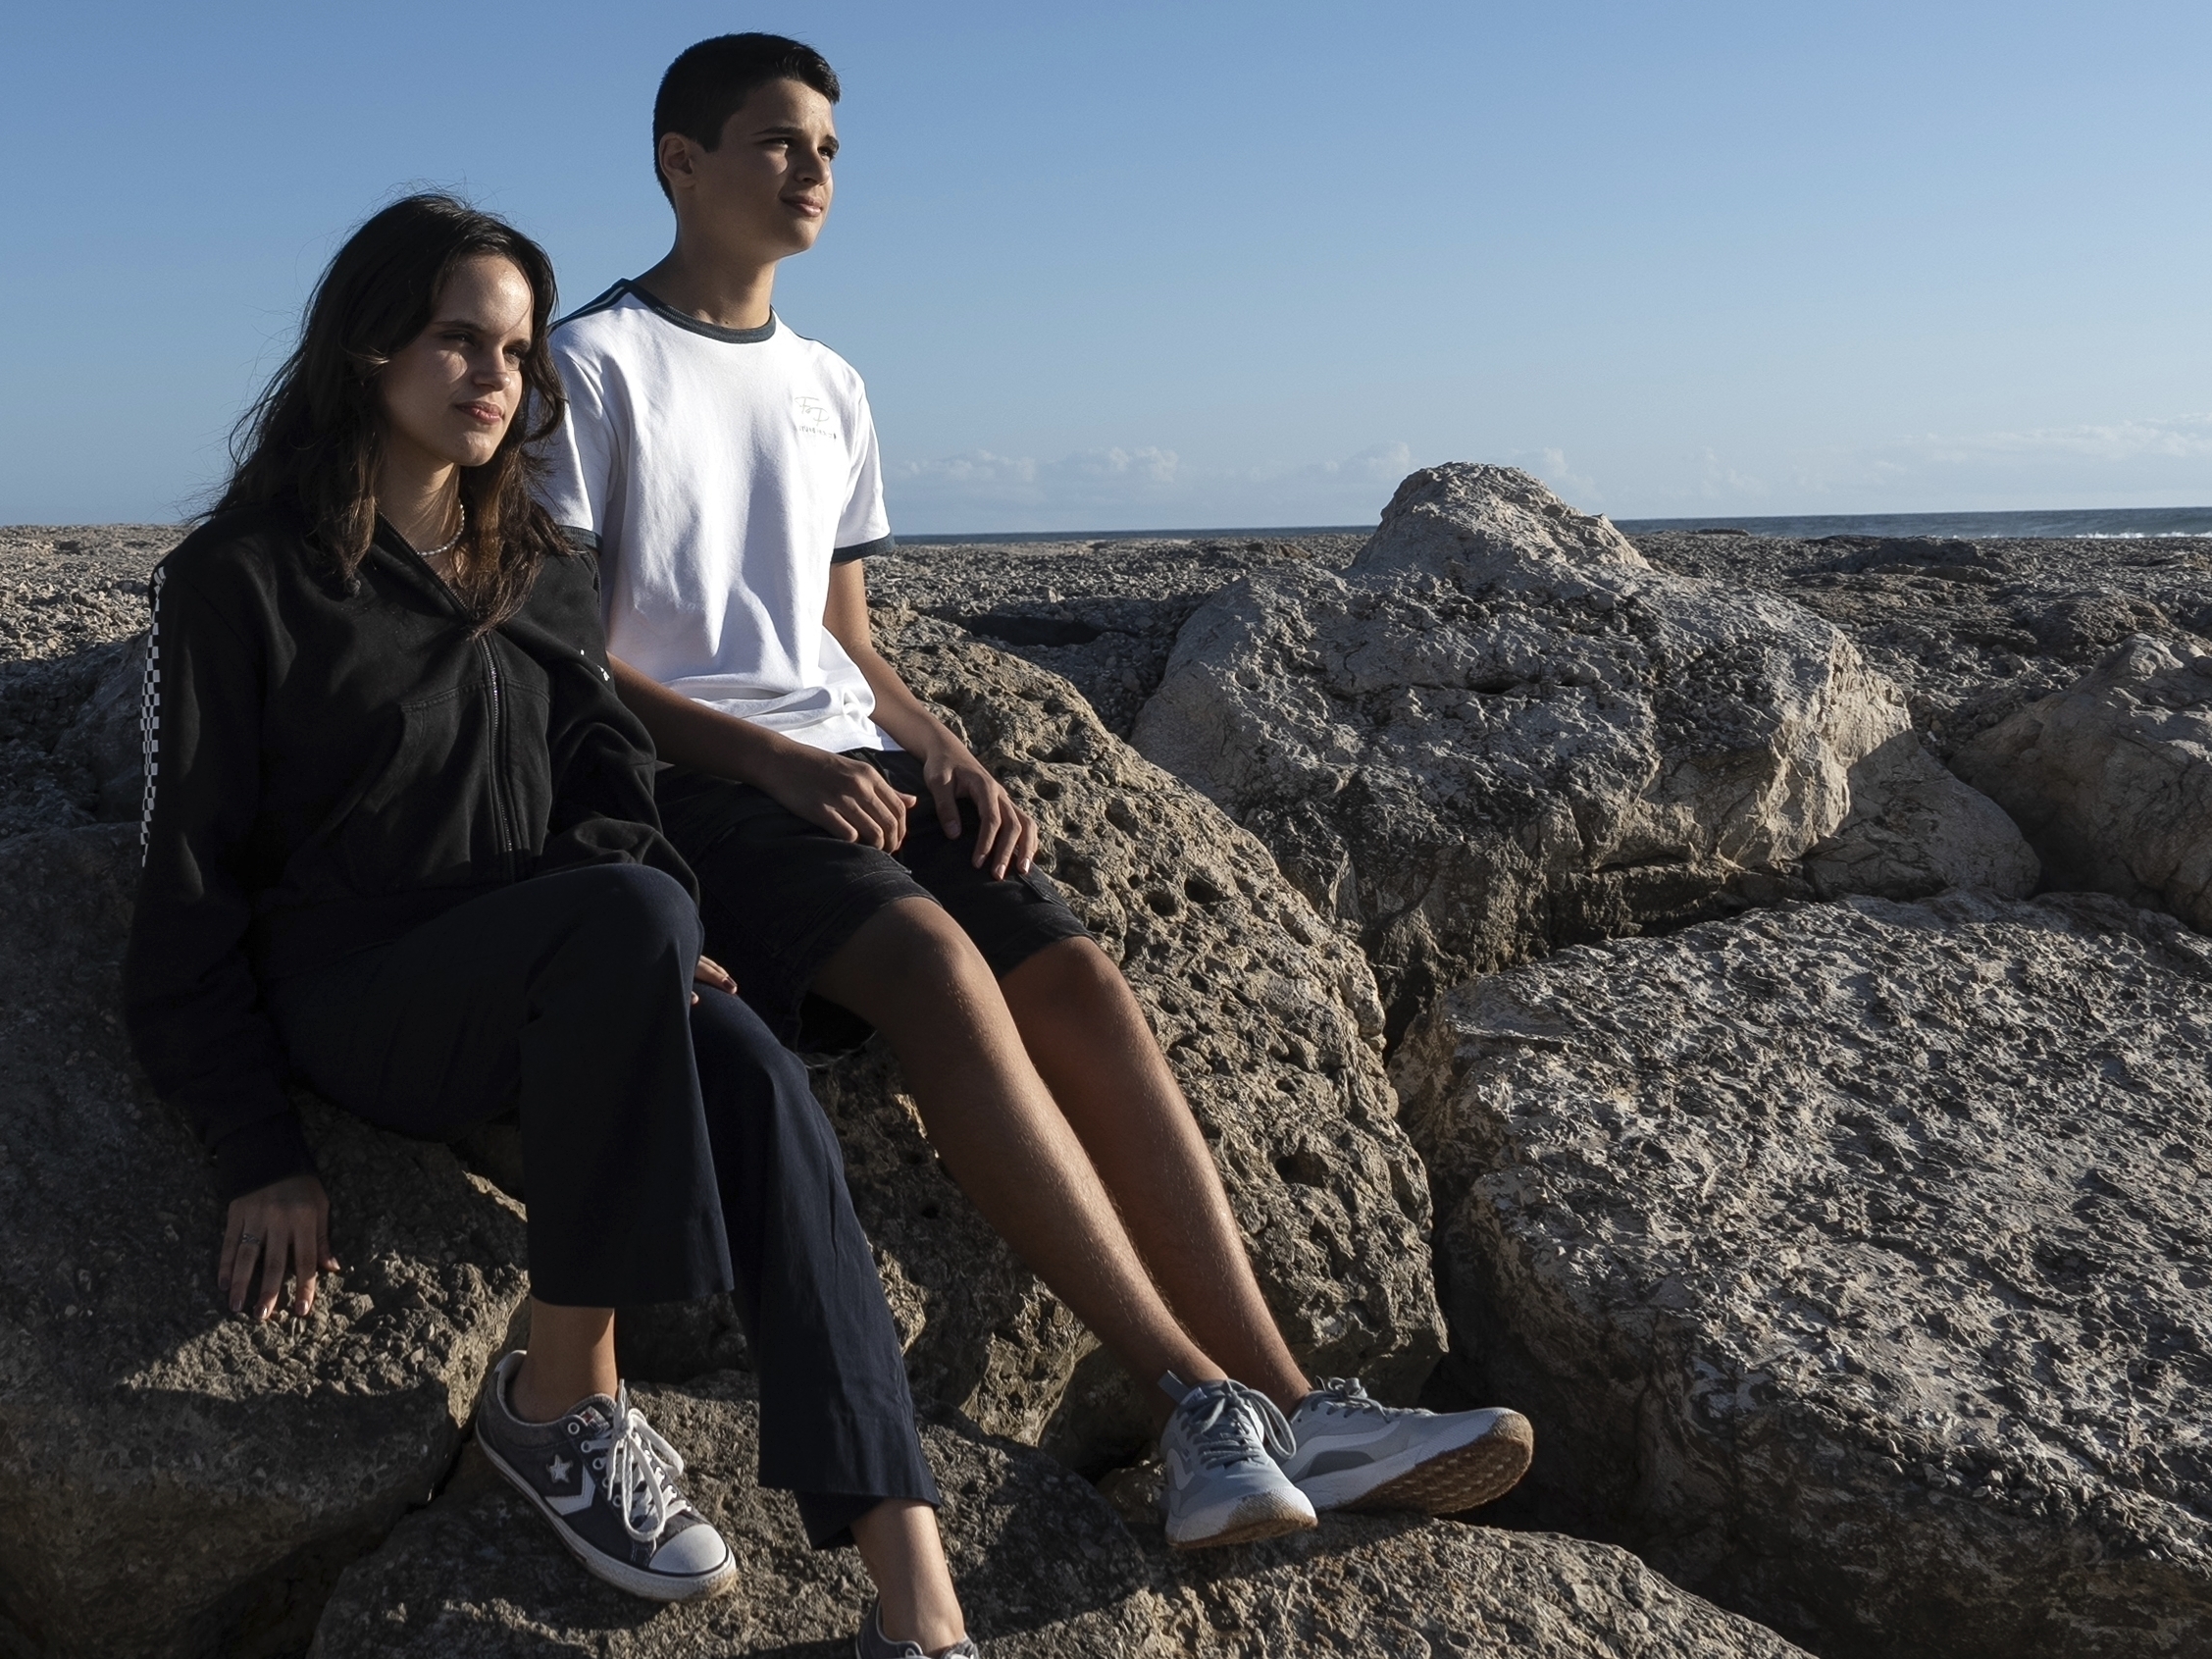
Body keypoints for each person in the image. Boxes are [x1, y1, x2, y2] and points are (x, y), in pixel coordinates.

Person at [535, 34, 1535, 1552]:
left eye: (828, 150)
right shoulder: (591, 363)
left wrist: (934, 735)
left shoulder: (830, 383)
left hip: (853, 760)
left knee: (1080, 982)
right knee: (937, 973)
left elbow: (842, 634)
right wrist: (772, 757)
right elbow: (568, 657)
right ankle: (1195, 1403)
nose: (813, 172)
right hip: (702, 783)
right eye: (777, 143)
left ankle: (1299, 1406)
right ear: (680, 161)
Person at [123, 194, 978, 1658]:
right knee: (639, 916)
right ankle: (561, 1396)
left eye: (515, 353)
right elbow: (187, 877)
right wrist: (255, 1149)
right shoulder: (241, 581)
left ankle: (922, 1608)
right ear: (369, 346)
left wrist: (649, 943)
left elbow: (613, 790)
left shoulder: (538, 571)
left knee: (762, 1080)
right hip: (365, 989)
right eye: (459, 340)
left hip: (567, 975)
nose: (492, 378)